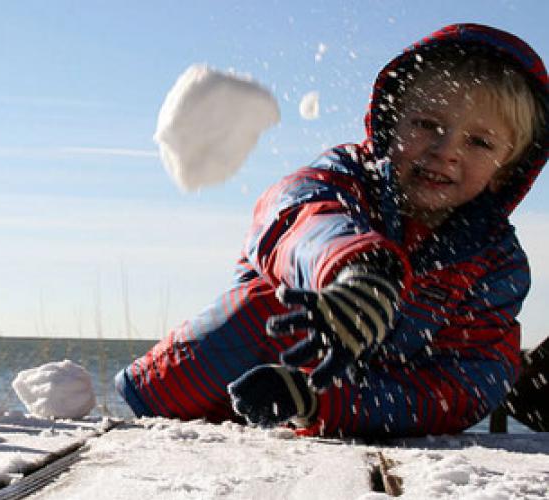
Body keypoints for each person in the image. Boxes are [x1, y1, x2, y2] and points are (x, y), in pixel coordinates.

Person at [115, 23, 548, 437]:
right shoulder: (346, 178)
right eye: (427, 125)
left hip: (335, 407)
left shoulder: (494, 260)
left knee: (479, 372)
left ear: (504, 170)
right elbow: (295, 218)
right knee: (270, 303)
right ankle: (139, 408)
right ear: (392, 121)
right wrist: (357, 268)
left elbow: (469, 376)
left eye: (479, 142)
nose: (444, 150)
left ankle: (307, 398)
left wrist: (317, 399)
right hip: (205, 386)